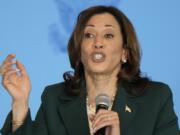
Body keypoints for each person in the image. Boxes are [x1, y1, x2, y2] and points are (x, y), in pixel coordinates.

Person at [0, 5, 179, 135]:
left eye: (108, 35)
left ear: (124, 52)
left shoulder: (156, 98)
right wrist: (20, 102)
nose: (98, 43)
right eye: (89, 35)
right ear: (79, 50)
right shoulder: (53, 97)